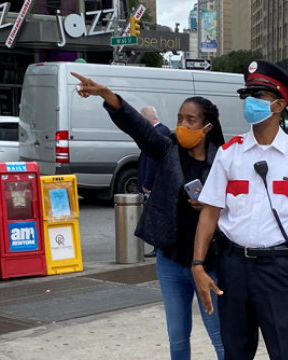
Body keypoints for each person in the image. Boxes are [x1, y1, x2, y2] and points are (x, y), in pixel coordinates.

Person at [71, 72, 226, 360]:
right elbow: (138, 127)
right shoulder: (167, 148)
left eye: (190, 120)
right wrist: (106, 94)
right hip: (170, 261)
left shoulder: (224, 159)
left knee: (221, 336)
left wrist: (213, 206)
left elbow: (239, 207)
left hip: (210, 262)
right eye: (179, 118)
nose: (182, 125)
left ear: (207, 126)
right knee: (177, 336)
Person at [191, 60, 288, 360]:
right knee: (235, 352)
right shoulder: (229, 153)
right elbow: (209, 212)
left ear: (279, 105)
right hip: (233, 268)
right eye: (247, 95)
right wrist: (198, 264)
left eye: (258, 95)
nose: (250, 102)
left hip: (279, 269)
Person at [137, 106, 172, 259]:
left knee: (157, 216)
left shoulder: (157, 133)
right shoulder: (163, 130)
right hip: (157, 181)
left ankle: (159, 248)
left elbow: (152, 160)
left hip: (155, 183)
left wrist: (147, 183)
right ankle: (158, 247)